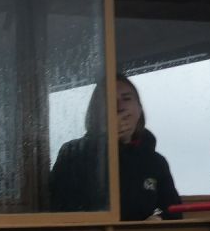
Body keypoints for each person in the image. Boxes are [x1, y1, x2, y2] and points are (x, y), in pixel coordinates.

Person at [50, 74, 182, 220]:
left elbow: (174, 211)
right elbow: (61, 207)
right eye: (110, 101)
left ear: (139, 110)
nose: (119, 107)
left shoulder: (156, 162)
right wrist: (106, 143)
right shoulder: (73, 153)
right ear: (96, 113)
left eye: (126, 99)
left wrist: (158, 219)